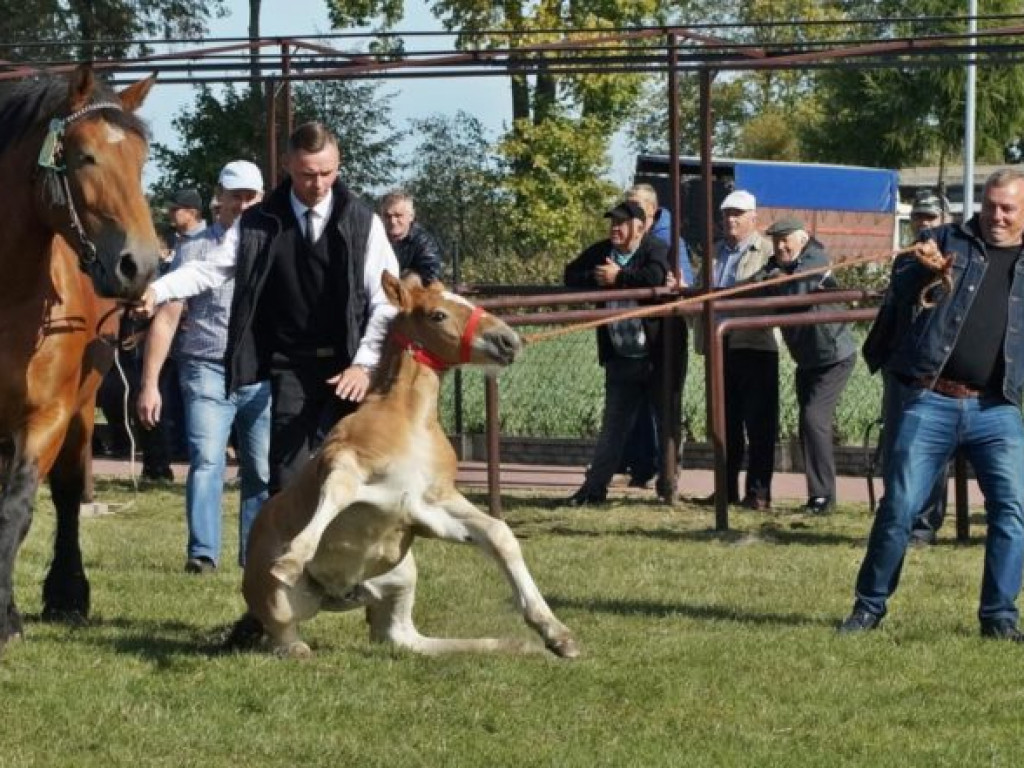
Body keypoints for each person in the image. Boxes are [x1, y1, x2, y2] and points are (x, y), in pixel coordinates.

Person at [137, 122, 400, 494]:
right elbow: (211, 269)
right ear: (288, 166)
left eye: (327, 173)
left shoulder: (362, 222)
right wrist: (159, 288)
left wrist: (364, 363)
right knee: (286, 478)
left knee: (353, 475)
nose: (319, 184)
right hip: (289, 365)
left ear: (338, 164)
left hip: (349, 364)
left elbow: (386, 301)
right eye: (308, 174)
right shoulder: (258, 222)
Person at [840, 169, 1024, 641]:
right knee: (900, 506)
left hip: (998, 407)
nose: (997, 216)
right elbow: (900, 288)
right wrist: (923, 268)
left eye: (1007, 208)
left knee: (1012, 510)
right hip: (932, 397)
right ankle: (867, 608)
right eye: (990, 206)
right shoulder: (946, 240)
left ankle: (999, 617)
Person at [138, 161, 271, 574]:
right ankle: (203, 554)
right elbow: (167, 319)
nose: (243, 205)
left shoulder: (273, 243)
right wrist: (150, 383)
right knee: (207, 460)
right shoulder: (194, 249)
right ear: (220, 197)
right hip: (205, 366)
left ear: (262, 198)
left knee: (261, 468)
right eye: (236, 196)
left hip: (259, 371)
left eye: (250, 197)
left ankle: (256, 554)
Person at [563, 200, 669, 506]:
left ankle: (669, 489)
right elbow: (571, 274)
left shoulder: (655, 248)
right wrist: (599, 280)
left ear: (639, 227)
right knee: (612, 427)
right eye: (613, 222)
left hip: (657, 358)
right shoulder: (603, 252)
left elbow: (655, 276)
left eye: (621, 223)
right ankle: (593, 490)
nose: (615, 228)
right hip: (620, 357)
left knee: (667, 424)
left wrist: (619, 278)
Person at [756, 217, 857, 514]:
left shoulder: (816, 258)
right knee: (807, 424)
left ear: (802, 238)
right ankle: (819, 495)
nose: (780, 246)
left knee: (814, 419)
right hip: (807, 359)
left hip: (834, 356)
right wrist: (772, 281)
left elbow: (799, 292)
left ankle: (823, 497)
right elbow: (757, 286)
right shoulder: (775, 266)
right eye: (776, 241)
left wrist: (775, 284)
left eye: (785, 239)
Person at [872, 190, 953, 545]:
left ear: (946, 220)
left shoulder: (958, 256)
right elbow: (903, 292)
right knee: (896, 446)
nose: (924, 224)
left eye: (931, 218)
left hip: (937, 369)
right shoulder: (906, 259)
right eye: (919, 217)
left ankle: (923, 524)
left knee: (930, 448)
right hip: (901, 365)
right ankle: (895, 519)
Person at [697, 189, 778, 510]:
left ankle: (758, 492)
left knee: (759, 425)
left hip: (755, 345)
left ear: (753, 218)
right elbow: (701, 292)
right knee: (724, 422)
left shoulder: (767, 251)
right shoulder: (714, 252)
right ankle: (725, 488)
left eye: (737, 214)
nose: (730, 219)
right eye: (726, 214)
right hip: (719, 345)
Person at [616, 183, 691, 496]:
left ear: (652, 211)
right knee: (637, 407)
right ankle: (640, 467)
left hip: (664, 336)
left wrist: (677, 284)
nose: (631, 213)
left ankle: (668, 472)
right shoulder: (626, 238)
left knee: (665, 407)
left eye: (637, 207)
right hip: (635, 336)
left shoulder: (669, 240)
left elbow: (684, 283)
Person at [380, 190, 443, 284]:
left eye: (398, 215)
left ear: (411, 216)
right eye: (387, 216)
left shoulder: (423, 242)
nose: (392, 221)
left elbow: (431, 277)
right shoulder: (373, 239)